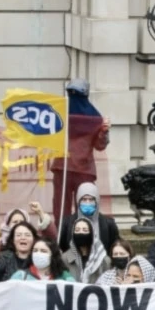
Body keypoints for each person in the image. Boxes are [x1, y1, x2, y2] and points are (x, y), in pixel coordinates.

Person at [49, 78, 110, 225]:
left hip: (84, 169)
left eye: (77, 94)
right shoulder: (59, 113)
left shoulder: (94, 117)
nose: (73, 98)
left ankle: (86, 232)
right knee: (60, 207)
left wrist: (103, 131)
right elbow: (47, 134)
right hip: (62, 167)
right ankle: (61, 235)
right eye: (71, 93)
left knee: (85, 204)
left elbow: (100, 145)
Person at [58, 182, 119, 254]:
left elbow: (114, 247)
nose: (87, 202)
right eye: (84, 199)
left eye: (91, 199)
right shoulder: (66, 223)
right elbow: (62, 248)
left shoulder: (109, 224)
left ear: (96, 201)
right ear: (78, 201)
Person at [61, 216, 109, 284]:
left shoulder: (103, 259)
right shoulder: (64, 259)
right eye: (77, 230)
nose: (81, 233)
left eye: (85, 230)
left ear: (92, 234)